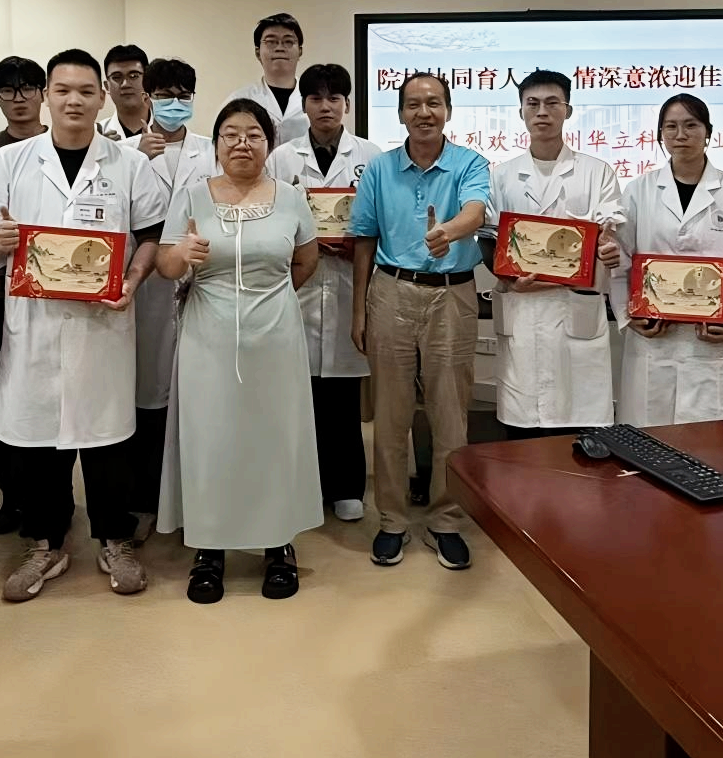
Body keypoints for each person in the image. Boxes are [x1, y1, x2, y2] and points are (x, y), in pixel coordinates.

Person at [0, 50, 168, 603]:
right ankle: (45, 543)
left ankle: (114, 539)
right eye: (63, 91)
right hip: (33, 327)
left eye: (85, 91)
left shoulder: (129, 165)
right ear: (47, 97)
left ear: (101, 97)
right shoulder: (12, 160)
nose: (74, 101)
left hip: (102, 325)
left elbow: (151, 235)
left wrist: (132, 281)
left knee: (108, 442)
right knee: (37, 444)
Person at [156, 100, 323, 602]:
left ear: (269, 144)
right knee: (211, 439)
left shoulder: (291, 198)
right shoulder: (192, 196)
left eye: (253, 134)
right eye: (230, 134)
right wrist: (181, 255)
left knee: (274, 437)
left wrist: (270, 299)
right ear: (216, 144)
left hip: (275, 336)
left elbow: (306, 260)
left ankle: (278, 545)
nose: (242, 144)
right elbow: (165, 265)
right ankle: (209, 548)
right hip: (207, 334)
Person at [351, 72, 491, 570]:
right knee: (390, 414)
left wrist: (448, 231)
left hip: (452, 294)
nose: (424, 112)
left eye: (433, 103)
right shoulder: (380, 169)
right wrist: (359, 309)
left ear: (447, 111)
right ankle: (391, 520)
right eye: (413, 104)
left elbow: (476, 211)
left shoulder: (470, 163)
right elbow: (364, 239)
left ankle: (445, 520)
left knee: (450, 413)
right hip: (391, 290)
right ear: (401, 114)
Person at [266, 64, 381, 521]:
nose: (325, 106)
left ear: (347, 104)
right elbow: (269, 220)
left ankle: (347, 486)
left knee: (343, 398)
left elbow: (384, 223)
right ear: (305, 105)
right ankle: (303, 485)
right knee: (298, 395)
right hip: (298, 286)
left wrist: (359, 242)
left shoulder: (371, 157)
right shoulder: (282, 158)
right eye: (316, 98)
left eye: (334, 98)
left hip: (349, 283)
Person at [615, 93, 723, 425]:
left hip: (715, 339)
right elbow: (621, 260)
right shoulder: (638, 190)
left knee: (715, 442)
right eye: (670, 127)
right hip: (656, 338)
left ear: (708, 132)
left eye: (691, 125)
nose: (681, 135)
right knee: (653, 439)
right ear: (660, 134)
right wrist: (630, 315)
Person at [482, 70, 624, 439]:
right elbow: (488, 239)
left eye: (551, 103)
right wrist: (508, 277)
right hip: (522, 309)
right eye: (532, 104)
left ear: (568, 110)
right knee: (522, 434)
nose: (542, 112)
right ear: (521, 112)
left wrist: (608, 249)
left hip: (573, 309)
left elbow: (609, 235)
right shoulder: (501, 176)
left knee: (580, 432)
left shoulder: (597, 172)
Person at [122, 58, 216, 538]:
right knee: (148, 399)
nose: (174, 103)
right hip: (145, 293)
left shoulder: (210, 151)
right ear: (148, 98)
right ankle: (144, 501)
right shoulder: (123, 153)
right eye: (164, 95)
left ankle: (196, 497)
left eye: (183, 95)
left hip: (200, 284)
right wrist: (138, 156)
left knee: (199, 397)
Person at [0, 56, 50, 537]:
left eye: (27, 88)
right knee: (7, 398)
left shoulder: (64, 144)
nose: (18, 98)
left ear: (42, 93)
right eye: (7, 90)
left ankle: (47, 499)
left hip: (54, 293)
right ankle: (13, 497)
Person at [224, 13, 309, 149]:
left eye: (288, 42)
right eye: (271, 42)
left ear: (300, 51)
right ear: (258, 52)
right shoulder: (238, 100)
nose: (280, 48)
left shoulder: (315, 100)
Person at [97, 44, 151, 141]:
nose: (125, 84)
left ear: (148, 80)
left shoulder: (171, 131)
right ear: (107, 86)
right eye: (116, 77)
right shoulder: (96, 136)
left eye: (134, 76)